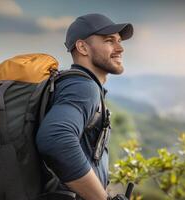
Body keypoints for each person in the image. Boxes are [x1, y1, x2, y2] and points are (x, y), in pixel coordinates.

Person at [36, 13, 133, 200]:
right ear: (82, 47)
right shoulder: (83, 87)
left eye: (120, 41)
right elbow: (56, 138)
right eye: (109, 40)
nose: (120, 48)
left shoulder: (71, 84)